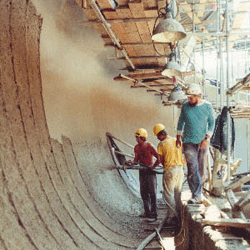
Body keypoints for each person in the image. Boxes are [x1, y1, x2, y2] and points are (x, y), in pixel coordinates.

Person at [176, 83, 215, 204]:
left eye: (191, 97)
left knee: (201, 169)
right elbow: (181, 121)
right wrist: (178, 136)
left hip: (202, 142)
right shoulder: (185, 106)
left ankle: (199, 192)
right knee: (192, 167)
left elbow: (212, 123)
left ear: (199, 95)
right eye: (188, 97)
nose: (189, 99)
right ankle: (196, 194)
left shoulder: (207, 106)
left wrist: (207, 138)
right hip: (188, 142)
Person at [153, 123, 185, 226]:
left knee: (169, 194)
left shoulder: (162, 144)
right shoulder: (176, 141)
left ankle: (172, 217)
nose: (158, 138)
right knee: (177, 194)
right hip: (180, 170)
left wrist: (153, 167)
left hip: (170, 170)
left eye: (158, 136)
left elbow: (160, 160)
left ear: (160, 134)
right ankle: (180, 217)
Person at [128, 128, 160, 220]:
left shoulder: (149, 146)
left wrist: (153, 167)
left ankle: (154, 213)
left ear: (143, 138)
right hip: (142, 171)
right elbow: (136, 160)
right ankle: (147, 212)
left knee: (152, 193)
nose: (136, 139)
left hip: (150, 171)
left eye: (138, 138)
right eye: (136, 138)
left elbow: (158, 158)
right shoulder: (136, 147)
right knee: (143, 192)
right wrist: (131, 163)